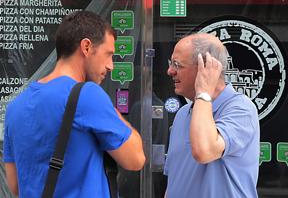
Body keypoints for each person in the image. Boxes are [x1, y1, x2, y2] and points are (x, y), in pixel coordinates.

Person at [3, 11, 145, 197]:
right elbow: (136, 159)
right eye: (108, 54)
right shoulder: (87, 95)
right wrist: (115, 115)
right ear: (86, 47)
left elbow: (15, 186)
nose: (111, 66)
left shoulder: (15, 107)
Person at [164, 33, 260, 197]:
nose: (170, 71)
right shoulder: (182, 114)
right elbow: (175, 180)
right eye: (170, 63)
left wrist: (203, 92)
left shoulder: (240, 109)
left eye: (177, 65)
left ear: (206, 67)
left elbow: (204, 151)